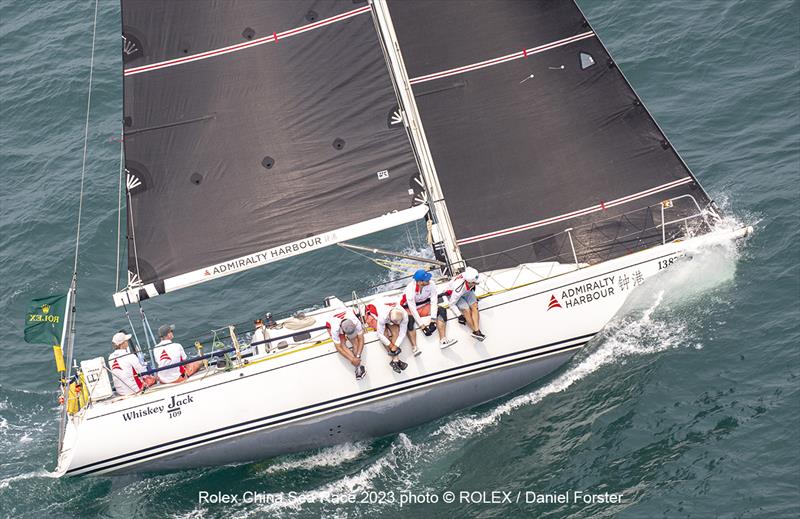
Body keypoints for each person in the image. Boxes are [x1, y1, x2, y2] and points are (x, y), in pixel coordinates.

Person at [402, 269, 457, 354]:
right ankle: (415, 348)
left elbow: (434, 301)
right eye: (426, 279)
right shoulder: (410, 289)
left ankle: (443, 340)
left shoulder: (431, 284)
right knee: (409, 320)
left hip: (423, 306)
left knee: (442, 310)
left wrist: (433, 320)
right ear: (420, 282)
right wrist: (422, 326)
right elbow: (412, 309)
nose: (429, 280)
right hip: (408, 308)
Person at [363, 301, 409, 373]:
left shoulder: (404, 315)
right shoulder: (382, 316)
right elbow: (380, 334)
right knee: (385, 334)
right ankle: (396, 359)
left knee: (396, 331)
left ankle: (395, 361)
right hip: (374, 313)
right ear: (390, 319)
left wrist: (395, 346)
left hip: (390, 312)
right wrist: (391, 346)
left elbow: (402, 333)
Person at [108, 331, 156, 396]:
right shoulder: (130, 356)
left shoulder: (110, 357)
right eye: (126, 341)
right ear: (122, 343)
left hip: (120, 392)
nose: (127, 342)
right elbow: (142, 372)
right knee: (153, 379)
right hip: (133, 390)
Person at [446, 266, 486, 341]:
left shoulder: (469, 275)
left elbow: (469, 268)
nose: (478, 283)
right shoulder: (458, 289)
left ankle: (477, 331)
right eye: (476, 282)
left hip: (466, 291)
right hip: (453, 294)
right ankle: (475, 331)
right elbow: (451, 304)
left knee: (474, 305)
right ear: (470, 282)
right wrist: (459, 315)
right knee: (466, 309)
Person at [326, 307, 366, 379]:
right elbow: (338, 347)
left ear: (353, 325)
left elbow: (361, 338)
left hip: (346, 315)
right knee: (343, 345)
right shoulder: (335, 329)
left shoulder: (356, 321)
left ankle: (358, 367)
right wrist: (351, 359)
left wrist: (358, 356)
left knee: (355, 342)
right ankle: (358, 366)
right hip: (333, 321)